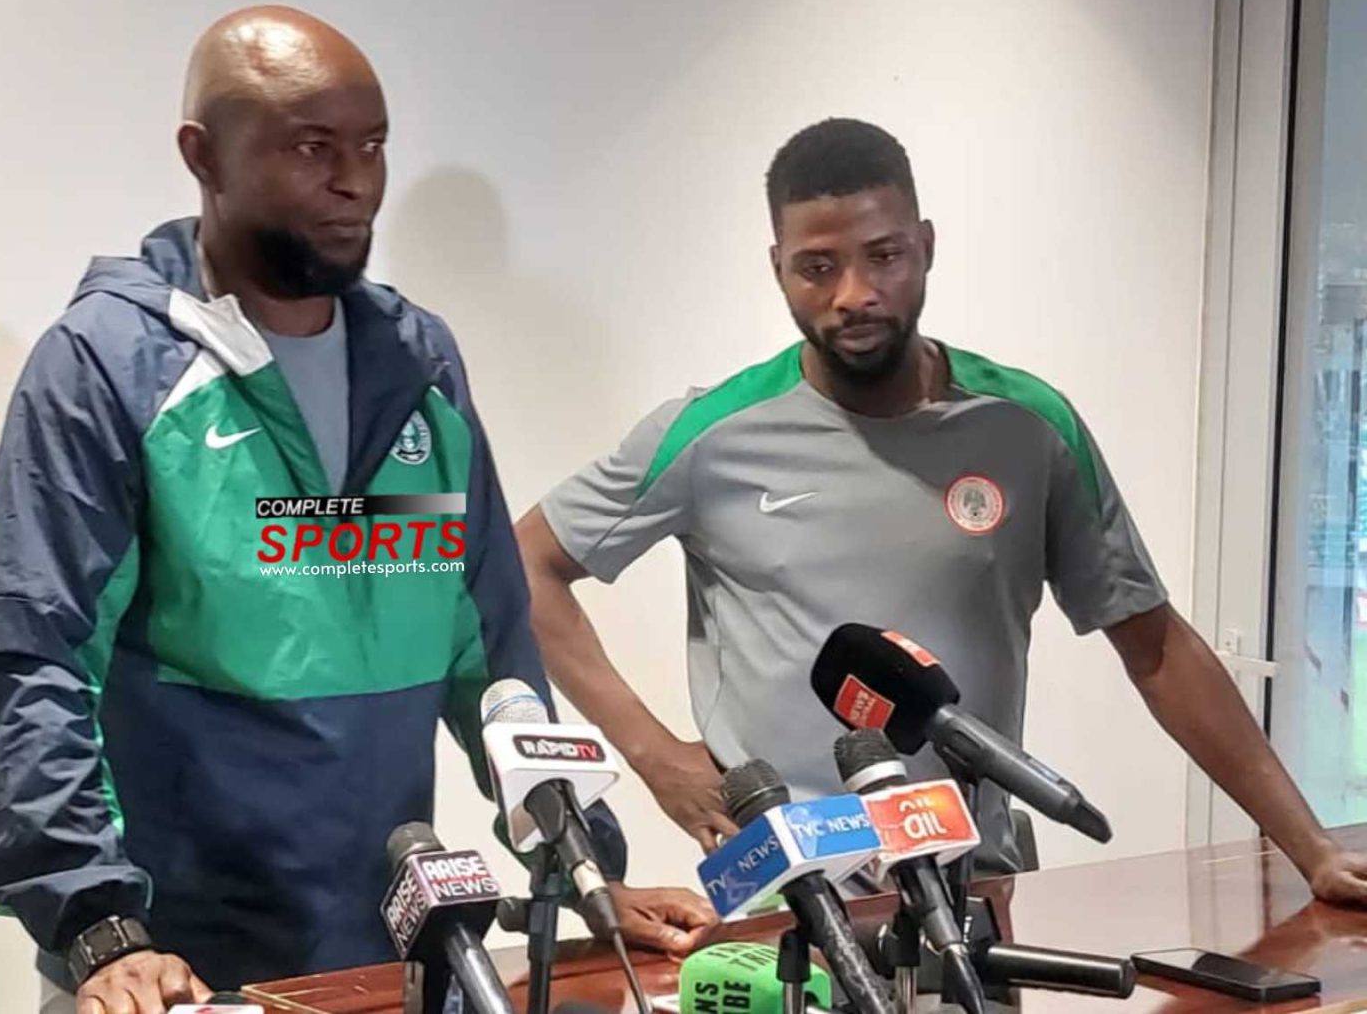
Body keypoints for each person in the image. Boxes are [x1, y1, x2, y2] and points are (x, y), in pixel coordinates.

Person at [0, 6, 713, 1014]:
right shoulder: (107, 366)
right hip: (173, 973)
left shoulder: (416, 364)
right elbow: (29, 662)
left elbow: (488, 649)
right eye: (313, 147)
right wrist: (96, 926)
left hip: (394, 959)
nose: (356, 180)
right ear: (202, 155)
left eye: (373, 145)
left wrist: (581, 871)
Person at [517, 117, 1367, 905]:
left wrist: (1310, 846)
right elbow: (527, 564)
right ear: (777, 268)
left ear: (925, 247)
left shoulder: (1028, 427)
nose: (855, 292)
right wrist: (656, 755)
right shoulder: (710, 434)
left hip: (974, 884)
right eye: (818, 266)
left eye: (883, 255)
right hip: (786, 895)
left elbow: (1156, 645)